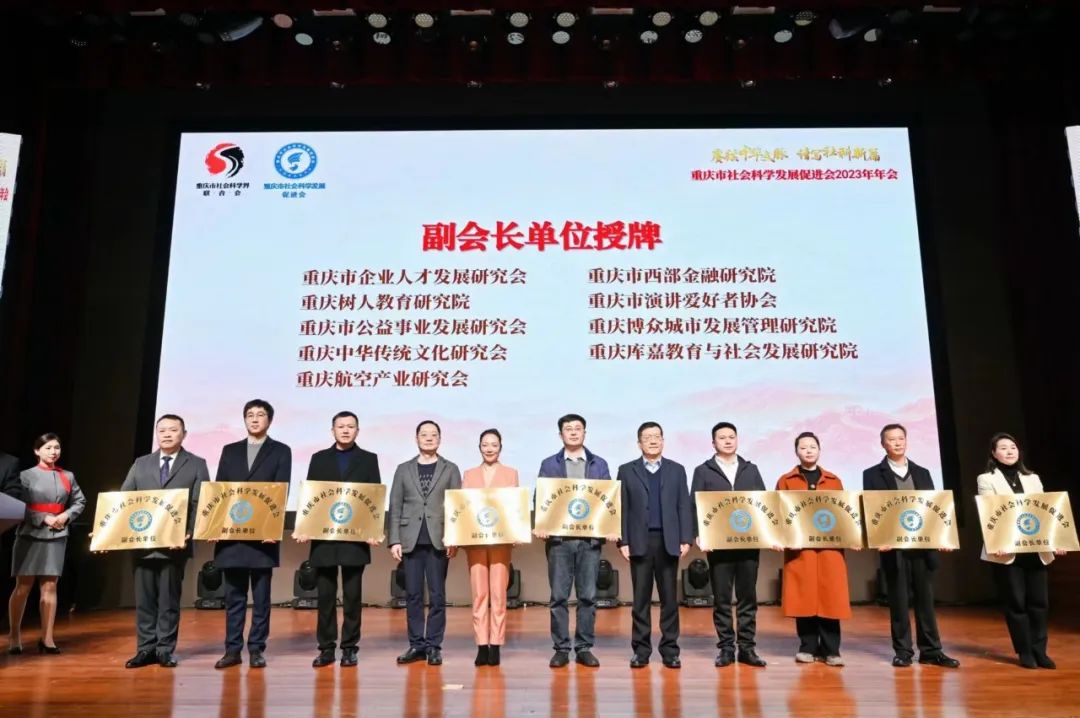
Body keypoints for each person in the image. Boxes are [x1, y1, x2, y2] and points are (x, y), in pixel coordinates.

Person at [862, 423, 960, 669]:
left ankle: (931, 651)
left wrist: (942, 537)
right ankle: (903, 651)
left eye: (901, 438)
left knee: (925, 600)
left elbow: (933, 509)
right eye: (891, 439)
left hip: (922, 546)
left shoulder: (922, 472)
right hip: (893, 548)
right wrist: (878, 538)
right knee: (898, 600)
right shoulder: (872, 474)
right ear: (883, 444)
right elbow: (872, 511)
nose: (897, 443)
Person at [120, 414, 210, 669]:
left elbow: (201, 502)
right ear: (156, 434)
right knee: (144, 600)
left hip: (175, 545)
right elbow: (125, 499)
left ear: (184, 434)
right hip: (143, 543)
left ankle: (164, 650)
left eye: (173, 430)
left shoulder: (196, 464)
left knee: (169, 600)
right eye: (162, 430)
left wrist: (189, 532)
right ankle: (145, 649)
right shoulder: (141, 463)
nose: (167, 434)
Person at [296, 411, 382, 669]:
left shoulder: (369, 459)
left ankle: (349, 648)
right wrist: (304, 527)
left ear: (358, 430)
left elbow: (373, 498)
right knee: (325, 596)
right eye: (341, 426)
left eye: (350, 426)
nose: (345, 430)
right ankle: (326, 648)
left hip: (355, 538)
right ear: (332, 430)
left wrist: (374, 529)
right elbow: (312, 497)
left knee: (353, 596)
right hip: (324, 538)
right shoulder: (319, 458)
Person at [212, 399, 292, 670]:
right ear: (244, 419)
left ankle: (257, 649)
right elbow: (221, 491)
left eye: (260, 415)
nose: (255, 419)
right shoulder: (230, 450)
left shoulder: (281, 451)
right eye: (250, 415)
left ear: (270, 420)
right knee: (233, 597)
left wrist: (272, 528)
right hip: (232, 535)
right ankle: (232, 650)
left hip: (263, 536)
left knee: (261, 599)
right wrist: (215, 526)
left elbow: (281, 491)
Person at [977, 432, 1064, 670]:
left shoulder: (1033, 478)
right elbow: (990, 513)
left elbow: (1044, 512)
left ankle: (1040, 650)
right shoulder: (986, 479)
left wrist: (1055, 540)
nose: (1009, 451)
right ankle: (1025, 651)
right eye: (1003, 448)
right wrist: (997, 541)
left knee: (1039, 601)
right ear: (994, 454)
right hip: (1006, 549)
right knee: (1016, 601)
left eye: (1013, 447)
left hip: (1035, 548)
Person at [535, 413, 612, 668]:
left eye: (578, 428)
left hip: (589, 540)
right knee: (558, 596)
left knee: (588, 596)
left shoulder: (599, 464)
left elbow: (607, 499)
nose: (574, 432)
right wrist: (542, 525)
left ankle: (583, 647)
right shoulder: (549, 464)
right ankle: (561, 648)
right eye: (568, 429)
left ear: (584, 433)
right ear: (561, 435)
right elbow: (541, 498)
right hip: (559, 541)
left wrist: (611, 527)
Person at [690, 421, 769, 668]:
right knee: (722, 599)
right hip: (719, 546)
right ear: (713, 443)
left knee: (748, 598)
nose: (727, 441)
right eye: (722, 437)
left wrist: (768, 533)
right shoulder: (703, 471)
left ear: (737, 440)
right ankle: (725, 648)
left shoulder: (751, 469)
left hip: (748, 544)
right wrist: (698, 535)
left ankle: (747, 648)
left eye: (731, 437)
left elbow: (763, 503)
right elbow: (695, 505)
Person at [617, 421, 693, 669]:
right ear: (639, 443)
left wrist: (686, 538)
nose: (652, 440)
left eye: (657, 436)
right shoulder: (626, 470)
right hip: (639, 542)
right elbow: (622, 508)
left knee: (670, 600)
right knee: (640, 600)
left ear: (663, 441)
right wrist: (623, 541)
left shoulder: (677, 470)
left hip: (668, 541)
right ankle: (641, 651)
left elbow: (683, 505)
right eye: (647, 437)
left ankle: (670, 650)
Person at [388, 420, 461, 666]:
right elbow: (395, 505)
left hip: (439, 540)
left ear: (440, 439)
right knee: (413, 595)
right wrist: (394, 539)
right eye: (424, 434)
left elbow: (456, 507)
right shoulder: (403, 469)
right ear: (416, 438)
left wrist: (454, 537)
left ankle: (434, 646)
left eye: (433, 434)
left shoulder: (450, 469)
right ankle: (416, 645)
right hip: (410, 540)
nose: (429, 438)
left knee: (438, 596)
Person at [776, 431, 852, 667]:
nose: (808, 451)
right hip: (801, 550)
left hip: (830, 550)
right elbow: (779, 513)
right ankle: (807, 647)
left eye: (812, 447)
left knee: (831, 598)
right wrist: (782, 538)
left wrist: (852, 537)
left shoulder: (834, 480)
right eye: (803, 447)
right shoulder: (786, 480)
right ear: (796, 452)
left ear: (819, 450)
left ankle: (832, 650)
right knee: (804, 598)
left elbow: (844, 514)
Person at [7, 433, 85, 655]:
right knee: (23, 586)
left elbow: (80, 501)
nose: (53, 452)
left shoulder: (67, 476)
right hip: (29, 534)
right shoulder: (25, 476)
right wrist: (43, 518)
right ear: (37, 451)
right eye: (48, 447)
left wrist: (66, 515)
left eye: (56, 447)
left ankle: (47, 638)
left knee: (50, 585)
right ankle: (14, 635)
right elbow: (18, 505)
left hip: (57, 534)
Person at [461, 429, 519, 667]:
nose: (489, 448)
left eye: (494, 444)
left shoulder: (510, 473)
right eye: (485, 444)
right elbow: (463, 508)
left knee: (498, 594)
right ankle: (481, 644)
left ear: (500, 447)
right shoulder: (469, 474)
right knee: (479, 595)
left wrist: (516, 531)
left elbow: (514, 507)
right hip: (475, 541)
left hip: (501, 541)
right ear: (479, 447)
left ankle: (495, 644)